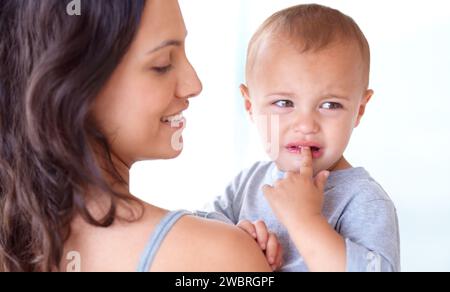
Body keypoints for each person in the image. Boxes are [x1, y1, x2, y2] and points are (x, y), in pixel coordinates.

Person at [0, 0, 275, 272]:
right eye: (162, 64)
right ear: (75, 86)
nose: (193, 84)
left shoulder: (13, 243)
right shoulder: (216, 256)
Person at [202, 4, 400, 272]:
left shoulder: (363, 200)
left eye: (330, 105)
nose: (306, 125)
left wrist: (305, 221)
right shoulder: (247, 185)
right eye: (284, 102)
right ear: (250, 107)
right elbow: (196, 240)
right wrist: (240, 239)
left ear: (359, 110)